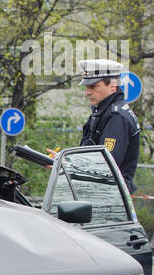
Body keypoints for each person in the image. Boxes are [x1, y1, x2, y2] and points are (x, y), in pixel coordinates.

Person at [60, 58, 140, 191]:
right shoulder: (103, 112)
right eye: (86, 87)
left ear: (112, 85)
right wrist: (63, 163)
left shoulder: (116, 117)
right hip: (103, 193)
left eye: (93, 86)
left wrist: (67, 165)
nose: (88, 92)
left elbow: (105, 165)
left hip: (109, 196)